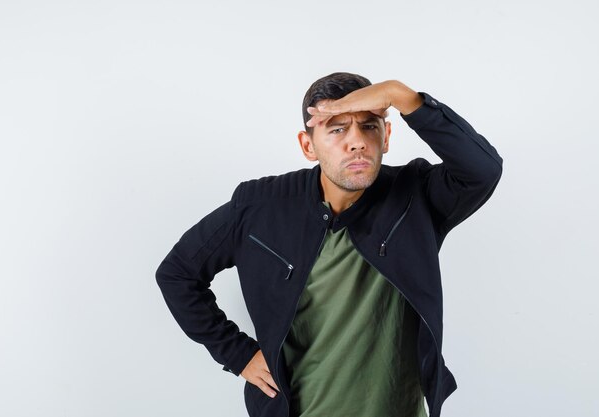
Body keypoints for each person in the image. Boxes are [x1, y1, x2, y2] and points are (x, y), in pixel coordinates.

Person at [155, 72, 503, 417]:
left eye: (369, 126)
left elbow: (483, 170)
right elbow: (177, 273)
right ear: (308, 145)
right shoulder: (261, 206)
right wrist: (237, 354)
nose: (357, 142)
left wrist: (401, 96)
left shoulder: (417, 196)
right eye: (337, 129)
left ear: (386, 136)